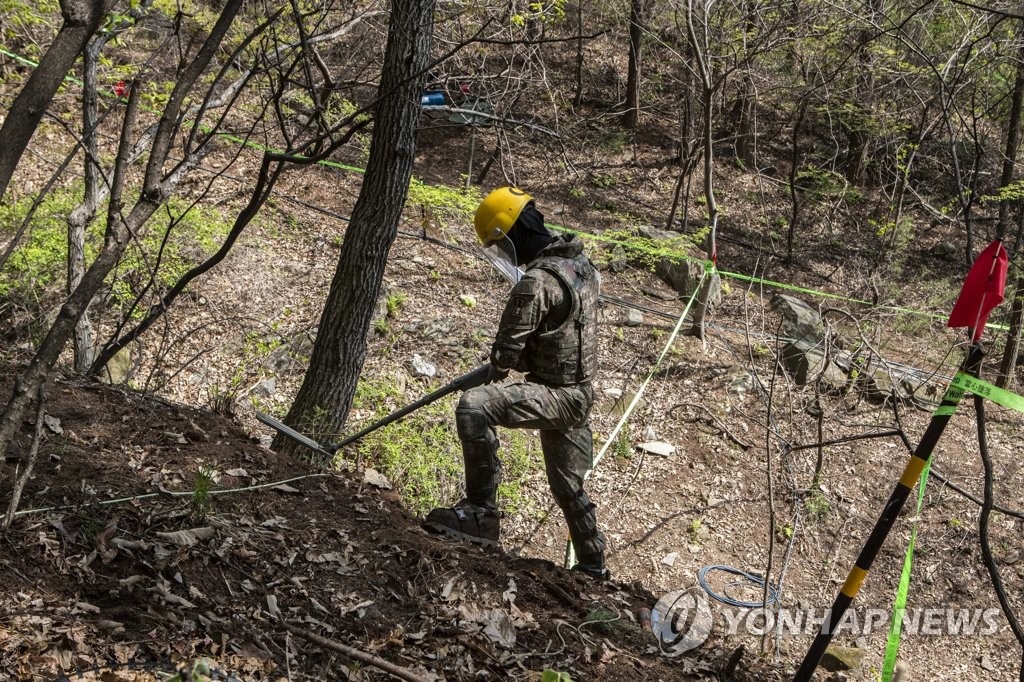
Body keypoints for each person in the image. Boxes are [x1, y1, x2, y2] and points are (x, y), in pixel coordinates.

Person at [423, 187, 608, 579]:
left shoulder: (537, 282)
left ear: (511, 234)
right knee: (567, 485)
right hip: (580, 393)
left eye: (498, 245)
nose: (503, 256)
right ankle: (593, 565)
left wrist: (499, 364)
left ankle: (479, 515)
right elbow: (560, 335)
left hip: (558, 394)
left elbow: (505, 356)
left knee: (473, 407)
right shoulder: (582, 266)